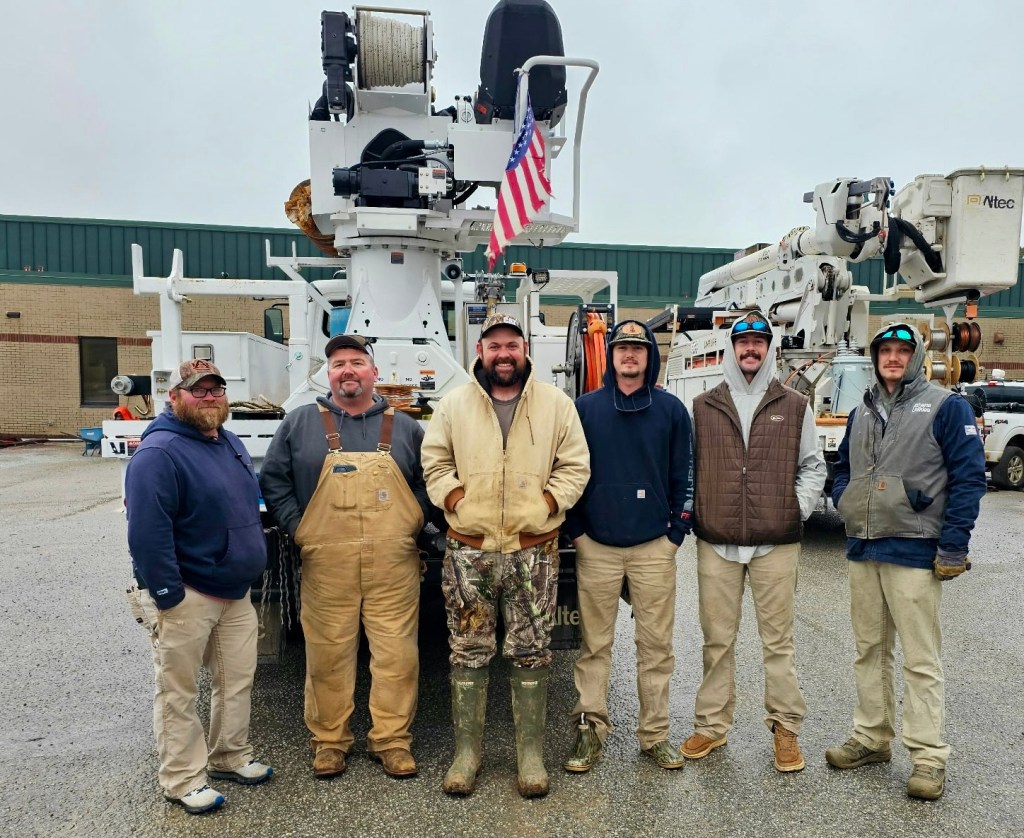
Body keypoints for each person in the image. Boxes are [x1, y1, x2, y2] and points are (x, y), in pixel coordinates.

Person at [421, 312, 590, 798]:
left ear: (525, 348)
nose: (502, 353)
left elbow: (575, 465)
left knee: (531, 649)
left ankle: (529, 755)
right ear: (480, 350)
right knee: (468, 649)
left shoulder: (556, 404)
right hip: (469, 552)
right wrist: (456, 500)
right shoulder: (454, 404)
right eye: (493, 345)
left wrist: (549, 504)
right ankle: (467, 754)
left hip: (532, 551)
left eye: (511, 344)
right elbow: (434, 462)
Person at [826, 322, 986, 801]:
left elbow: (970, 477)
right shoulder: (861, 411)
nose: (893, 358)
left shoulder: (944, 406)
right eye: (886, 350)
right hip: (864, 548)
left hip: (915, 552)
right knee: (869, 650)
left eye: (902, 351)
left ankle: (928, 757)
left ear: (916, 356)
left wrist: (954, 546)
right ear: (874, 357)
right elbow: (844, 470)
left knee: (920, 659)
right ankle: (872, 737)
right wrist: (846, 499)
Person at [260, 334, 431, 780]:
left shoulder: (408, 427)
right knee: (327, 654)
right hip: (325, 562)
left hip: (394, 563)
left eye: (357, 362)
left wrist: (412, 521)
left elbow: (428, 483)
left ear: (375, 373)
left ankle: (392, 741)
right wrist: (299, 528)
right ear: (328, 374)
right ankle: (330, 742)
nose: (348, 371)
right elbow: (273, 480)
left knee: (397, 655)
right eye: (338, 364)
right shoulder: (298, 423)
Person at [125, 358, 272, 815]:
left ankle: (229, 755)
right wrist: (168, 595)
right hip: (188, 594)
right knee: (179, 691)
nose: (209, 397)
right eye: (197, 390)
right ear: (175, 397)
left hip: (234, 592)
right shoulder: (158, 454)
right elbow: (147, 533)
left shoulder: (227, 441)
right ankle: (183, 778)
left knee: (235, 682)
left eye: (216, 389)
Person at [683, 311, 825, 773]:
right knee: (717, 641)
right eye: (742, 341)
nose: (750, 349)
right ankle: (711, 725)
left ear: (769, 347)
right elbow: (692, 468)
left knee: (777, 642)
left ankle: (786, 728)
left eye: (758, 341)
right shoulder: (704, 406)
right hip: (718, 542)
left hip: (775, 545)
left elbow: (813, 467)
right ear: (731, 347)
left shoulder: (795, 404)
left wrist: (795, 510)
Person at [561, 319, 694, 773]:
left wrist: (676, 533)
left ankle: (654, 735)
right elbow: (569, 473)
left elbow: (684, 476)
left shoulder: (672, 411)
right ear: (611, 355)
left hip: (654, 546)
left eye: (638, 347)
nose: (630, 355)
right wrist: (577, 531)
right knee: (594, 646)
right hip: (595, 545)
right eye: (622, 348)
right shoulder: (584, 409)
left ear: (650, 355)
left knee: (656, 647)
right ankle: (590, 729)